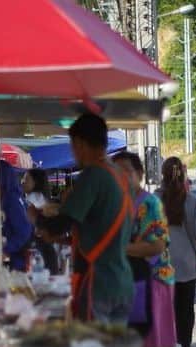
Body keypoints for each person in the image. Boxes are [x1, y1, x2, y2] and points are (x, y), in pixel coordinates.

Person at [39, 113, 133, 324]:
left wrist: (36, 217)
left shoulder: (93, 175)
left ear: (80, 143)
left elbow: (60, 224)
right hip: (122, 281)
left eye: (72, 146)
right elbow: (101, 225)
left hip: (98, 282)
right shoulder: (119, 175)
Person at [114, 152, 176, 347]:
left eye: (127, 170)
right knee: (135, 343)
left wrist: (118, 249)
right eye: (117, 172)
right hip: (129, 280)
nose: (122, 177)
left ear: (139, 174)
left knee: (159, 340)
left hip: (155, 280)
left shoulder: (149, 203)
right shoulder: (118, 204)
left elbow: (156, 246)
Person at [160, 157, 196, 347]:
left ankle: (165, 345)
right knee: (185, 308)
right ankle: (186, 346)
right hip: (187, 264)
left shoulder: (154, 200)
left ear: (162, 175)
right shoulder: (192, 201)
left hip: (161, 263)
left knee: (165, 308)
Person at [0, 160, 34, 272]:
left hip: (18, 263)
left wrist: (5, 251)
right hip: (17, 258)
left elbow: (24, 231)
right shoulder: (14, 195)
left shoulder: (11, 199)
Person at [23, 169, 60, 274]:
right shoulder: (42, 197)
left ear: (36, 182)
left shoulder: (32, 199)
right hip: (48, 248)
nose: (23, 181)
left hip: (38, 249)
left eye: (26, 179)